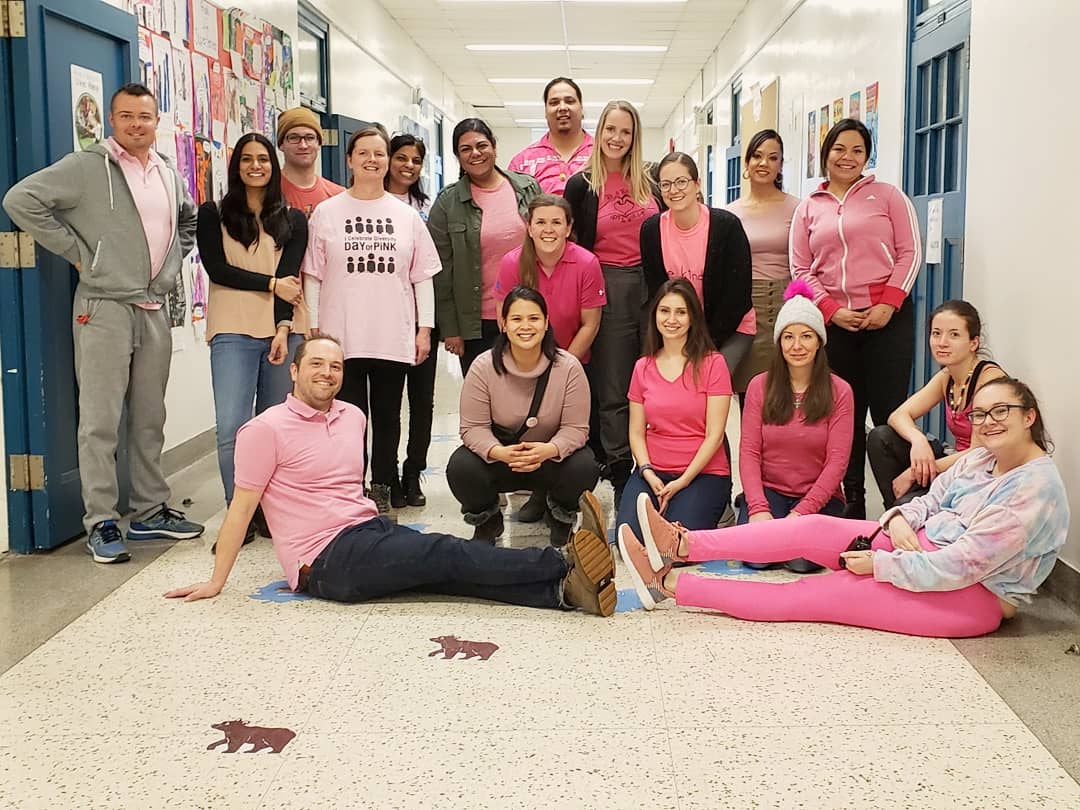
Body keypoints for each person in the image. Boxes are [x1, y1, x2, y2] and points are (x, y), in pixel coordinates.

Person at [164, 336, 616, 618]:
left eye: (336, 366)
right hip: (324, 559)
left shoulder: (351, 416)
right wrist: (216, 580)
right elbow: (241, 508)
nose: (327, 373)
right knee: (444, 551)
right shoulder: (263, 430)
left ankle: (562, 593)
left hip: (366, 530)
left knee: (447, 574)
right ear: (295, 371)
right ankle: (562, 563)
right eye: (317, 364)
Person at [619, 377, 1068, 639]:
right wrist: (898, 519)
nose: (987, 422)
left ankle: (670, 582)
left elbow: (965, 563)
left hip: (971, 594)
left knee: (815, 596)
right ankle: (679, 542)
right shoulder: (981, 456)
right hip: (914, 548)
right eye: (980, 414)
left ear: (1029, 416)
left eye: (1001, 411)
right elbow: (929, 501)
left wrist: (883, 563)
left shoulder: (1035, 491)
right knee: (807, 528)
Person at [3, 82, 203, 563]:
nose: (137, 124)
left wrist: (171, 268)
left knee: (150, 417)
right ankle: (102, 522)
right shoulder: (86, 167)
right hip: (103, 308)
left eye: (146, 116)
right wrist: (78, 254)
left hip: (153, 307)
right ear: (111, 120)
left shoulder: (167, 173)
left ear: (157, 122)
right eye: (127, 116)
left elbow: (187, 223)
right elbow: (20, 200)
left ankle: (151, 509)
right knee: (99, 421)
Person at [303, 124, 441, 514]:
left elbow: (422, 276)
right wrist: (314, 327)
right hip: (339, 335)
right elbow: (313, 274)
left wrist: (424, 329)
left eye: (379, 153)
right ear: (349, 160)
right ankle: (350, 486)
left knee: (387, 417)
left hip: (390, 333)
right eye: (363, 153)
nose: (372, 160)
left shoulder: (406, 216)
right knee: (348, 419)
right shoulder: (327, 213)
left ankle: (383, 484)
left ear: (387, 161)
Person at [790, 118, 922, 519]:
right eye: (839, 149)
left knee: (888, 416)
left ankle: (903, 507)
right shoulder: (809, 207)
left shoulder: (887, 196)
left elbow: (909, 252)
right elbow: (800, 267)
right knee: (844, 415)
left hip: (888, 321)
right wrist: (831, 310)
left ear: (867, 156)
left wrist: (889, 303)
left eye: (857, 151)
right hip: (837, 324)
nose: (847, 157)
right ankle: (852, 505)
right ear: (825, 153)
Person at [196, 132, 308, 545]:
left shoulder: (294, 220)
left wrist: (282, 328)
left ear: (273, 166)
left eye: (263, 159)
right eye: (247, 159)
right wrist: (271, 283)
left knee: (274, 428)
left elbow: (291, 283)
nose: (256, 166)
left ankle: (268, 511)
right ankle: (237, 515)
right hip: (232, 330)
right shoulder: (213, 215)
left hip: (283, 332)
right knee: (232, 427)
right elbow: (218, 270)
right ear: (237, 166)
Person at [447, 287, 598, 546]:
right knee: (461, 467)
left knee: (585, 466)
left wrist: (549, 449)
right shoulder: (484, 366)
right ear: (503, 324)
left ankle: (559, 515)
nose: (525, 326)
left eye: (534, 318)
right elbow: (472, 428)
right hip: (502, 459)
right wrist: (499, 452)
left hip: (549, 458)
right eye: (516, 319)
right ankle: (488, 520)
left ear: (546, 323)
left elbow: (576, 429)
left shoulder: (568, 367)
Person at [563, 100, 660, 502]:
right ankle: (620, 468)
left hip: (654, 285)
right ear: (598, 132)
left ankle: (656, 464)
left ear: (635, 137)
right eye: (610, 130)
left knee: (656, 379)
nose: (617, 139)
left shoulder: (652, 181)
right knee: (614, 383)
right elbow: (576, 245)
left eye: (626, 131)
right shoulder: (582, 184)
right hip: (609, 283)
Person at [492, 194, 605, 523]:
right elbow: (505, 321)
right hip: (524, 363)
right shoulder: (513, 263)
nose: (548, 229)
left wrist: (560, 368)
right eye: (540, 221)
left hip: (572, 360)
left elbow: (591, 324)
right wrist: (532, 366)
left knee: (563, 430)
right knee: (530, 427)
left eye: (557, 222)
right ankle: (536, 491)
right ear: (528, 227)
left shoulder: (586, 263)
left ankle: (559, 500)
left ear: (569, 228)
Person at [736, 280, 854, 572]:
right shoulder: (759, 386)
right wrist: (758, 508)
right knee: (757, 559)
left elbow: (837, 463)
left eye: (806, 336)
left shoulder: (840, 391)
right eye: (788, 337)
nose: (797, 346)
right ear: (778, 343)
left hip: (819, 499)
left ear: (819, 341)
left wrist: (803, 511)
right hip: (770, 492)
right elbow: (749, 451)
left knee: (802, 562)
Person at [617, 278, 733, 542]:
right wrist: (646, 470)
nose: (672, 319)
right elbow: (636, 432)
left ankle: (718, 509)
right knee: (630, 540)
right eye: (665, 311)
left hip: (702, 474)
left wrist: (683, 481)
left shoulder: (714, 364)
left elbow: (715, 435)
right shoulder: (642, 367)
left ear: (693, 317)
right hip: (653, 471)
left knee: (674, 542)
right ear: (654, 314)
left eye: (681, 312)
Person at [429, 119, 541, 373]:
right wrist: (451, 329)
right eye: (466, 149)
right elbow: (441, 272)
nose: (475, 153)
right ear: (458, 156)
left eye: (481, 145)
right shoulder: (448, 202)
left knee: (530, 395)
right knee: (484, 400)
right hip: (476, 324)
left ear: (494, 147)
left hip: (527, 313)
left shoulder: (526, 188)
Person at [868, 300, 1004, 509]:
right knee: (881, 437)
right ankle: (898, 513)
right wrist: (918, 440)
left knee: (907, 501)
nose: (942, 342)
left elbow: (980, 452)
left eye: (954, 335)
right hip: (955, 463)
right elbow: (898, 415)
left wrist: (915, 472)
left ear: (973, 343)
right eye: (936, 333)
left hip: (983, 471)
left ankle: (904, 512)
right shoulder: (947, 376)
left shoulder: (988, 380)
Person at [640, 152, 753, 374]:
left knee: (706, 379)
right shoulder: (651, 230)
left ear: (697, 184)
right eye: (666, 184)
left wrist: (701, 344)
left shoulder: (726, 226)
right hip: (677, 327)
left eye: (681, 181)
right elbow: (657, 292)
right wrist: (679, 338)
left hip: (729, 329)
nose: (674, 190)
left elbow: (737, 299)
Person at [724, 129, 801, 400]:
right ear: (746, 162)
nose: (763, 163)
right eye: (757, 156)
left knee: (788, 391)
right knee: (751, 393)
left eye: (773, 157)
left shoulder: (797, 208)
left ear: (780, 165)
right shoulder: (730, 213)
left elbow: (804, 260)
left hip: (786, 302)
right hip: (746, 308)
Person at [385, 133, 434, 507]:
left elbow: (429, 270)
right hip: (384, 322)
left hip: (422, 319)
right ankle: (385, 479)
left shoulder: (427, 207)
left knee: (421, 402)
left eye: (415, 160)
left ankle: (413, 472)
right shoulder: (368, 202)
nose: (407, 166)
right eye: (400, 158)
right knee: (387, 404)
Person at [508, 77, 594, 195]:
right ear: (545, 111)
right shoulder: (523, 162)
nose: (562, 107)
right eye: (554, 103)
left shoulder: (602, 155)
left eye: (569, 101)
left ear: (581, 108)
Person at [277, 106, 344, 216]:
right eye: (294, 138)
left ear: (319, 143)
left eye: (310, 137)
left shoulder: (337, 196)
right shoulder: (265, 191)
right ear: (281, 144)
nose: (303, 145)